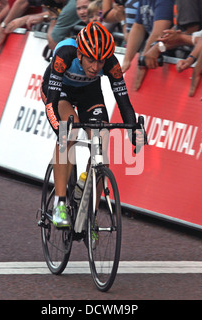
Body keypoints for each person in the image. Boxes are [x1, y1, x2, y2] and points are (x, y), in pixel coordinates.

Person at [41, 21, 143, 227]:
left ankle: (90, 216)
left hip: (89, 92)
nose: (96, 67)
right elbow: (51, 101)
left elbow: (123, 101)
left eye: (100, 62)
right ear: (80, 55)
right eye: (91, 61)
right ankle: (60, 204)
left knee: (102, 144)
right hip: (59, 92)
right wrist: (61, 132)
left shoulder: (111, 63)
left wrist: (134, 131)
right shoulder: (65, 54)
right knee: (68, 133)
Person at [120, 0, 174, 91]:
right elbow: (138, 27)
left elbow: (158, 32)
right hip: (156, 54)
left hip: (170, 57)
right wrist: (127, 60)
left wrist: (142, 63)